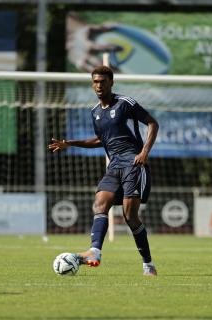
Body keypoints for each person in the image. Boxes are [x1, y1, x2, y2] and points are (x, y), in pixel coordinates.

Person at [48, 65, 159, 276]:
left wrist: (144, 152)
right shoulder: (95, 112)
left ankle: (148, 264)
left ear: (111, 83)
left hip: (133, 165)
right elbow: (101, 140)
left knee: (130, 216)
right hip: (114, 166)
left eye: (102, 81)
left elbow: (153, 123)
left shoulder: (125, 104)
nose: (98, 85)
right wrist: (70, 143)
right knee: (99, 203)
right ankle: (95, 252)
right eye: (95, 82)